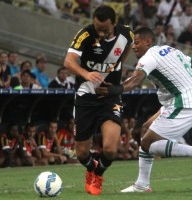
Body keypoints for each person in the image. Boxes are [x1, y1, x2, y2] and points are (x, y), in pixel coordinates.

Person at [95, 27, 192, 193]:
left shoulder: (149, 57)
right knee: (145, 129)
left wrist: (112, 90)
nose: (134, 47)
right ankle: (142, 185)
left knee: (147, 143)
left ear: (148, 42)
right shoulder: (169, 49)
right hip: (182, 100)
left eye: (136, 43)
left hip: (185, 102)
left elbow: (135, 80)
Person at [63, 5, 134, 195]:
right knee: (81, 153)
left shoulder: (126, 34)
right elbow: (68, 61)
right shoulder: (86, 34)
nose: (100, 33)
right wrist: (86, 74)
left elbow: (127, 48)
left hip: (110, 97)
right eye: (97, 28)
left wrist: (117, 68)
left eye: (105, 29)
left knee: (111, 149)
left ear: (115, 23)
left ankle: (99, 174)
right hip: (86, 96)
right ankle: (90, 167)